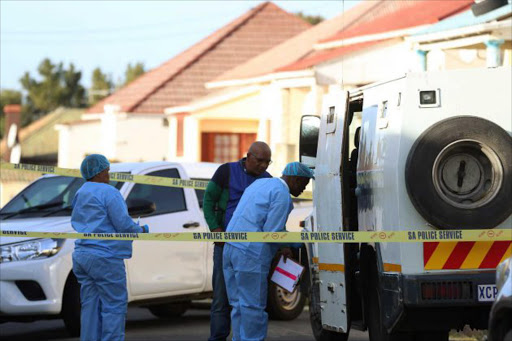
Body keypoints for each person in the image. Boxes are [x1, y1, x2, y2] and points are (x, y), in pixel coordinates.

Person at [223, 161, 314, 341]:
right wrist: (298, 241)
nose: (304, 189)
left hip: (231, 248)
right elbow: (272, 232)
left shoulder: (261, 183)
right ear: (295, 179)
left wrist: (284, 246)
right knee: (253, 307)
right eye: (304, 184)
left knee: (238, 305)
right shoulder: (282, 194)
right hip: (250, 254)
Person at [71, 154, 149, 341]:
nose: (109, 173)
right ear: (98, 172)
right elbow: (123, 224)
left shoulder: (80, 191)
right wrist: (141, 229)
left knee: (90, 306)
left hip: (82, 255)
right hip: (105, 256)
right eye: (106, 170)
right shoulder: (109, 192)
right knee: (114, 305)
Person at [204, 141, 272, 341]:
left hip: (251, 249)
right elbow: (208, 200)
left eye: (268, 162)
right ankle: (217, 337)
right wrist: (216, 229)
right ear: (248, 156)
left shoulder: (267, 180)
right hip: (225, 245)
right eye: (260, 161)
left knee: (248, 300)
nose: (263, 166)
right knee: (221, 298)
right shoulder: (226, 171)